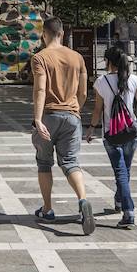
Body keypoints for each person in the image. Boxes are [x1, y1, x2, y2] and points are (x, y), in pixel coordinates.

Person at [31, 17, 95, 235]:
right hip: (72, 115)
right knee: (70, 162)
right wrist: (75, 109)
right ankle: (83, 200)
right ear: (63, 34)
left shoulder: (40, 58)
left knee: (44, 163)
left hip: (49, 115)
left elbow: (40, 90)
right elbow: (84, 92)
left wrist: (37, 119)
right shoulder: (77, 58)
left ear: (44, 34)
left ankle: (48, 208)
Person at [87, 46, 137, 229]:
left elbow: (97, 110)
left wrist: (91, 129)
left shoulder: (101, 82)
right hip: (131, 132)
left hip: (111, 134)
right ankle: (119, 200)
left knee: (121, 171)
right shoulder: (134, 80)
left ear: (109, 62)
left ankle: (128, 211)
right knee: (125, 170)